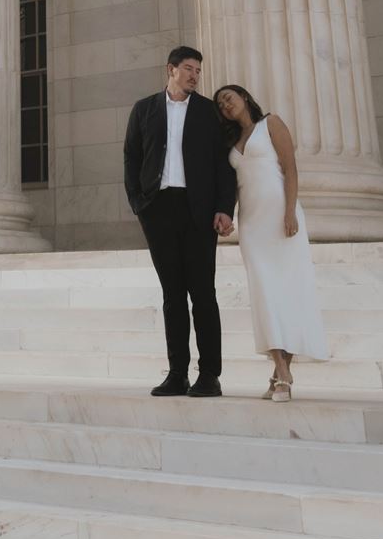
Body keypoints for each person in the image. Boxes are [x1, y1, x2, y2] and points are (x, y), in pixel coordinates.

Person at [122, 45, 236, 397]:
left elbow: (223, 164)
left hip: (198, 210)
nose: (194, 75)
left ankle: (209, 375)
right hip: (158, 210)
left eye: (198, 71)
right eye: (188, 68)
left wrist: (224, 208)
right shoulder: (144, 109)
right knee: (172, 295)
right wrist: (140, 204)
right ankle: (177, 374)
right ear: (170, 69)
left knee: (203, 293)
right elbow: (131, 157)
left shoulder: (208, 112)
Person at [214, 84, 328, 400]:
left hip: (281, 217)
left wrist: (290, 211)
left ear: (245, 98)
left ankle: (281, 376)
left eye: (229, 97)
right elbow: (234, 186)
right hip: (252, 225)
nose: (225, 104)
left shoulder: (271, 124)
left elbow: (290, 170)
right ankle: (282, 369)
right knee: (265, 295)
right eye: (221, 104)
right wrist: (227, 216)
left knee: (288, 293)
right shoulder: (231, 143)